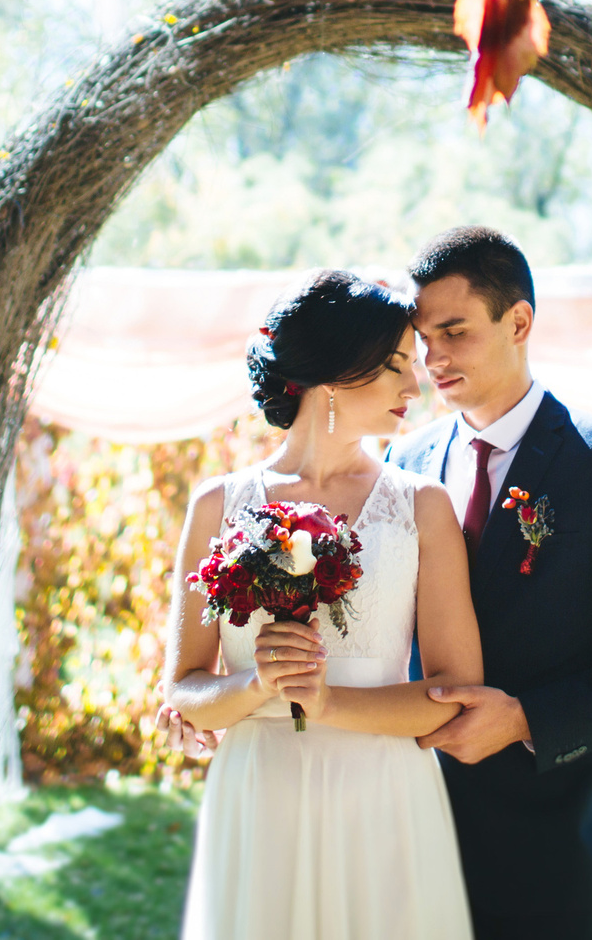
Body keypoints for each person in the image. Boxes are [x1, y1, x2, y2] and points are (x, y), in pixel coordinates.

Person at [388, 226, 592, 940]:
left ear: (519, 321)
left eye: (453, 330)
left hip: (550, 829)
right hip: (410, 816)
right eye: (422, 337)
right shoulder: (402, 459)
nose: (432, 358)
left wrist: (524, 718)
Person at [161, 270, 482, 940]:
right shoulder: (218, 506)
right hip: (259, 795)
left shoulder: (421, 507)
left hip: (384, 795)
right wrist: (257, 683)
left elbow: (456, 693)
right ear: (333, 374)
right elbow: (185, 691)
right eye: (395, 365)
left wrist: (328, 701)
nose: (413, 386)